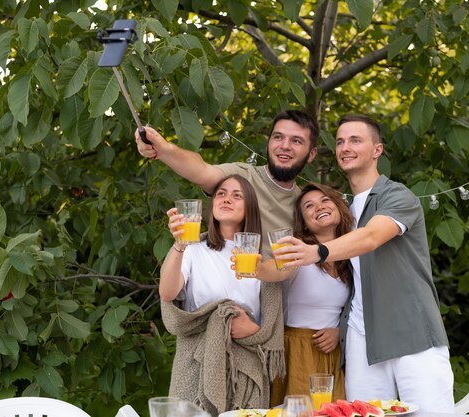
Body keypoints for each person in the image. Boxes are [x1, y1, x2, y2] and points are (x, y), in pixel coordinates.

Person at [273, 114, 455, 412]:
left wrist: (317, 252)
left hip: (411, 333)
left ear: (377, 150)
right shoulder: (346, 214)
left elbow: (371, 237)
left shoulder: (396, 195)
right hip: (362, 341)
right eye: (341, 141)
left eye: (355, 140)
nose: (345, 147)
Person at [159, 174, 285, 416]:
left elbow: (270, 323)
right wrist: (179, 245)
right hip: (196, 360)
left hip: (246, 366)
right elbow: (167, 292)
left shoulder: (261, 262)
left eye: (237, 195)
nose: (227, 199)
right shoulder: (192, 249)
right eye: (221, 194)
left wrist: (253, 331)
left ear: (250, 208)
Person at [136, 110, 319, 258]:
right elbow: (201, 171)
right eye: (278, 137)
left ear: (311, 154)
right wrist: (163, 149)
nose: (285, 146)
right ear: (269, 143)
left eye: (296, 141)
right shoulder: (243, 176)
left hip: (276, 299)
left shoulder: (306, 205)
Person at [255, 183, 352, 406]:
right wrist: (258, 269)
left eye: (325, 200)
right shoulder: (298, 251)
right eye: (309, 206)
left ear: (338, 207)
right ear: (305, 224)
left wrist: (339, 332)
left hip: (333, 351)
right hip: (297, 348)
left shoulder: (351, 255)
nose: (319, 207)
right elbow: (278, 269)